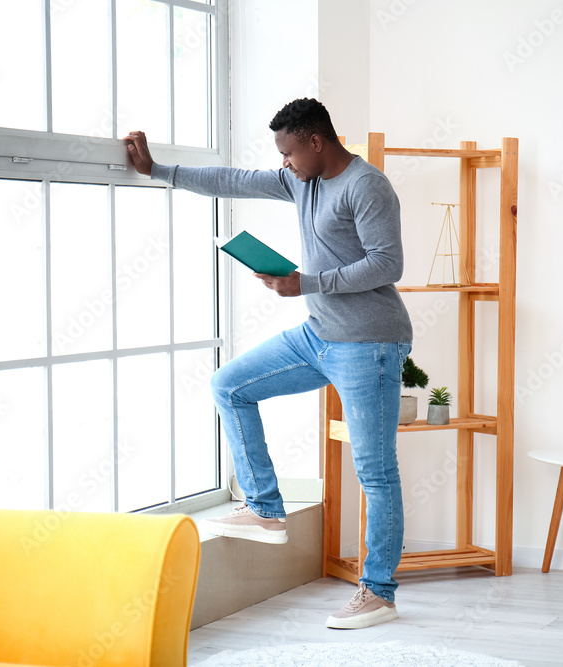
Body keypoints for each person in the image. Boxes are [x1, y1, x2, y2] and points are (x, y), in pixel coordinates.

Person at [124, 98, 413, 630]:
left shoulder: (366, 186)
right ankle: (265, 508)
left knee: (375, 470)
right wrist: (159, 170)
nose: (284, 163)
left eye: (289, 152)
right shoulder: (299, 181)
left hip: (369, 343)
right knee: (230, 385)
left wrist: (305, 282)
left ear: (316, 142)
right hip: (319, 335)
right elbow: (232, 179)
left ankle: (379, 593)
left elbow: (387, 263)